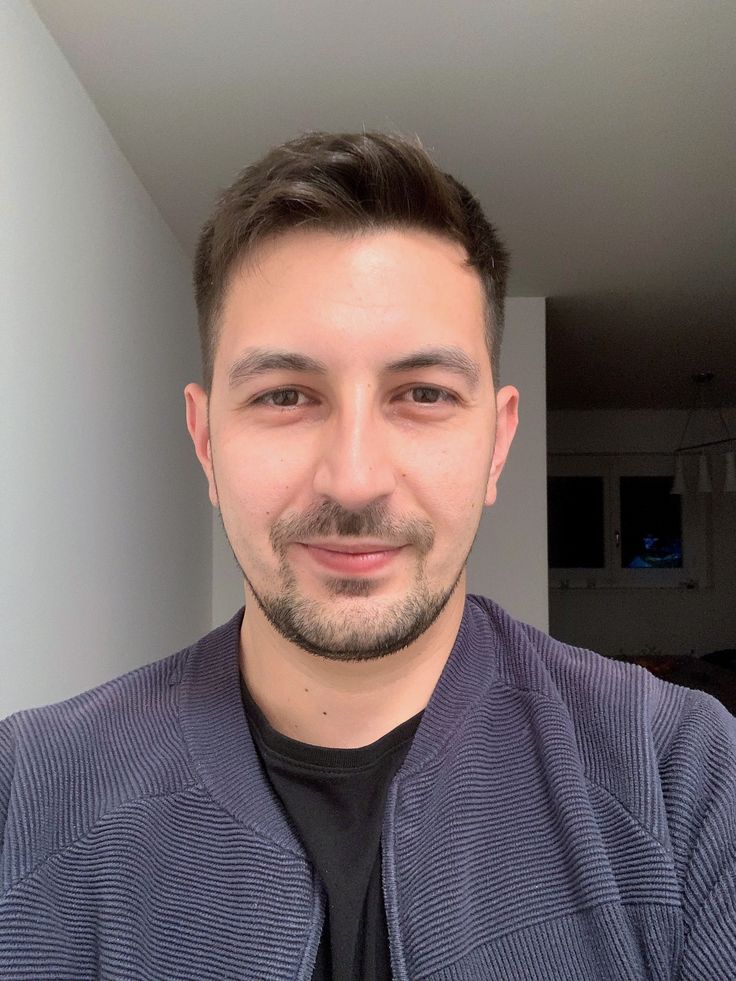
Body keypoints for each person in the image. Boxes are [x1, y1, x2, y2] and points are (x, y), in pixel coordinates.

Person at [1, 131, 734, 981]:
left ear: (498, 443)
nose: (354, 480)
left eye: (423, 394)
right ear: (205, 441)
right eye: (285, 395)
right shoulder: (27, 796)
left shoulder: (682, 776)